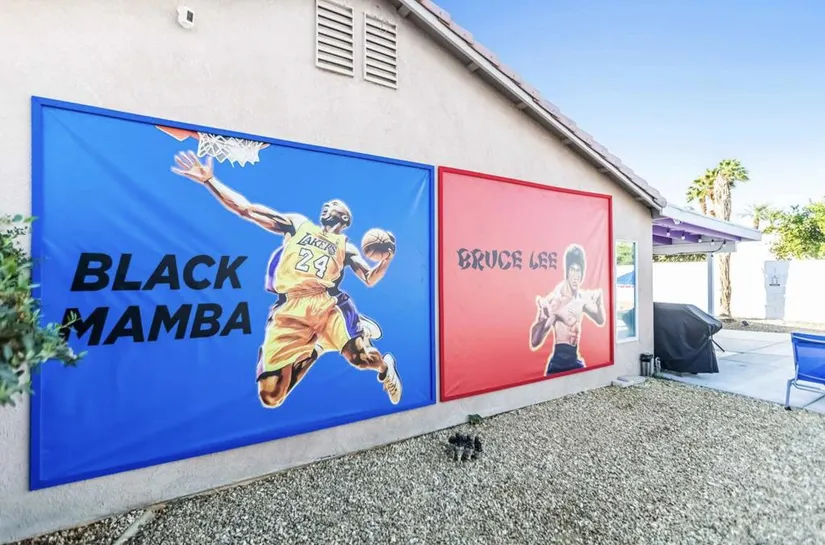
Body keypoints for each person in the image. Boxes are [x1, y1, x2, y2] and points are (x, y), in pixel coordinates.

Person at [171, 151, 402, 408]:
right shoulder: (298, 224)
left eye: (334, 204)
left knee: (360, 358)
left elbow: (369, 278)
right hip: (289, 307)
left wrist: (385, 261)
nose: (327, 205)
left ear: (344, 218)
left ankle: (385, 367)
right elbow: (246, 209)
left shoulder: (345, 246)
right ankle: (318, 347)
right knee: (271, 396)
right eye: (326, 204)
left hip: (327, 303)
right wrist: (210, 181)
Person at [529, 244, 606, 375]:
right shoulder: (557, 300)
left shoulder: (581, 298)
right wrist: (542, 321)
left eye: (578, 271)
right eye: (572, 270)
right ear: (567, 271)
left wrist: (599, 303)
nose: (575, 276)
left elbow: (600, 320)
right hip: (559, 362)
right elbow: (535, 342)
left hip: (574, 359)